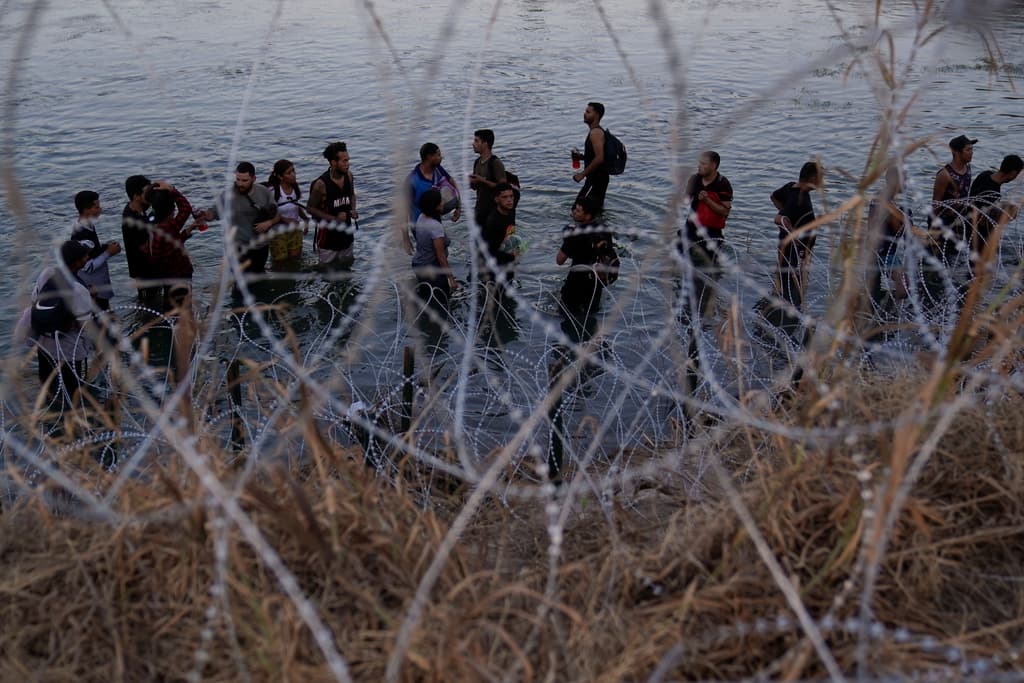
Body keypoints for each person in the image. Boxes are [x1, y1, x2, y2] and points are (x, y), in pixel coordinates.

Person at [15, 240, 95, 412]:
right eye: (85, 256)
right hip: (69, 351)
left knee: (48, 389)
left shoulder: (47, 274)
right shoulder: (79, 289)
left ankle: (50, 418)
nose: (87, 257)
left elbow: (36, 302)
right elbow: (85, 326)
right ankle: (72, 422)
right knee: (75, 393)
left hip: (44, 347)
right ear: (78, 262)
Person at [197, 162, 279, 274]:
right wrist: (204, 215)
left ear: (254, 179)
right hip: (237, 248)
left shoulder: (264, 192)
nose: (240, 184)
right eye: (238, 179)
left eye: (245, 180)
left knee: (258, 276)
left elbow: (277, 215)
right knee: (239, 279)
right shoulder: (228, 195)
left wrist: (269, 223)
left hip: (261, 247)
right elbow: (213, 213)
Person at [680, 151, 733, 317]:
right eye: (699, 163)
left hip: (711, 232)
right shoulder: (695, 179)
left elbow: (725, 212)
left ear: (713, 165)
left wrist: (707, 200)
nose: (699, 166)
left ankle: (707, 299)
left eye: (703, 164)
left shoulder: (723, 184)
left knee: (708, 268)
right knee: (686, 263)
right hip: (691, 228)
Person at [771, 161, 822, 312]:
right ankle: (785, 314)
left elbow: (774, 196)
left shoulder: (791, 187)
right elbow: (778, 219)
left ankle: (777, 307)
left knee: (783, 280)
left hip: (789, 247)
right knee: (792, 289)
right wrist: (793, 233)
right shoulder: (798, 200)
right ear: (812, 178)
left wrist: (786, 214)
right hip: (794, 251)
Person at [556, 197, 613, 326]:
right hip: (595, 283)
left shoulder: (575, 234)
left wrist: (566, 239)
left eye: (578, 211)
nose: (574, 212)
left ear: (588, 215)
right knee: (590, 318)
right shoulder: (604, 230)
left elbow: (559, 260)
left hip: (575, 283)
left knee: (565, 317)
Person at [866, 166, 912, 314]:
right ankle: (892, 314)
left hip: (874, 250)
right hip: (884, 253)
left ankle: (880, 314)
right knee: (904, 287)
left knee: (873, 291)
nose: (906, 183)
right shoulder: (889, 204)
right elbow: (899, 230)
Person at [143, 182, 195, 310]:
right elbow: (186, 208)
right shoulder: (169, 226)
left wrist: (185, 233)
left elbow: (166, 249)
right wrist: (172, 190)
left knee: (170, 306)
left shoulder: (154, 225)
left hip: (166, 276)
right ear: (171, 210)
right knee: (183, 309)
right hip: (180, 275)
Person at [307, 142, 358, 268]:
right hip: (328, 240)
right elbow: (310, 208)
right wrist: (334, 218)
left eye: (348, 160)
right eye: (344, 161)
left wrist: (353, 209)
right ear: (333, 162)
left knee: (347, 267)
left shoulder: (349, 176)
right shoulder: (321, 184)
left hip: (347, 235)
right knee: (327, 272)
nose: (348, 164)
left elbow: (352, 195)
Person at [71, 190, 121, 310]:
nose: (100, 210)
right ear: (86, 210)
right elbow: (87, 267)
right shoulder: (80, 233)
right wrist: (108, 253)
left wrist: (106, 247)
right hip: (93, 288)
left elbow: (93, 250)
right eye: (96, 207)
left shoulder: (88, 226)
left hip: (99, 286)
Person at [930, 134, 976, 264]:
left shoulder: (968, 168)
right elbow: (935, 203)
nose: (971, 153)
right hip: (944, 222)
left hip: (960, 219)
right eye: (968, 150)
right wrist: (934, 230)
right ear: (956, 152)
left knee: (955, 256)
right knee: (940, 257)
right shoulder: (944, 175)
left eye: (972, 149)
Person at [411, 188, 457, 309]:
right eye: (441, 201)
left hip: (418, 264)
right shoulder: (435, 227)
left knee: (427, 300)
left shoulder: (421, 217)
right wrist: (450, 278)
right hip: (431, 269)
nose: (443, 203)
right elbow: (440, 255)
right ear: (435, 206)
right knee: (441, 302)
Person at [969, 153, 1022, 257]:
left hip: (969, 224)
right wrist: (1007, 216)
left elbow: (978, 202)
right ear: (1012, 173)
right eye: (1016, 175)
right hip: (979, 235)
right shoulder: (992, 192)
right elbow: (983, 221)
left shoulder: (985, 174)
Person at [121, 174, 162, 304]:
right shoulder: (132, 220)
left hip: (149, 269)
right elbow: (146, 248)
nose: (150, 195)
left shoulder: (139, 208)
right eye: (146, 192)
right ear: (136, 196)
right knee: (150, 302)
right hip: (144, 272)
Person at [264, 159, 309, 270]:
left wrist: (305, 219)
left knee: (295, 261)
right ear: (281, 177)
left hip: (295, 230)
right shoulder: (273, 191)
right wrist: (286, 220)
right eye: (289, 173)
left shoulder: (294, 188)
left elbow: (295, 206)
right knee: (280, 263)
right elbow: (268, 213)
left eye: (293, 171)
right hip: (278, 233)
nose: (293, 174)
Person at [408, 142, 461, 225]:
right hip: (419, 225)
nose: (441, 157)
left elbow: (453, 183)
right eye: (438, 155)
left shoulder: (438, 169)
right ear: (429, 157)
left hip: (436, 222)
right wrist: (405, 232)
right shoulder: (412, 180)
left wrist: (458, 208)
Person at [572, 102, 610, 213]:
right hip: (597, 178)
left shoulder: (595, 133)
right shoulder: (596, 132)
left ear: (597, 115)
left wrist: (582, 174)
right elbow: (596, 156)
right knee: (594, 211)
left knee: (578, 210)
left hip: (596, 179)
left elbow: (599, 158)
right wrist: (582, 157)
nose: (585, 114)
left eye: (588, 112)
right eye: (585, 111)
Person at [480, 183, 518, 283]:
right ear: (496, 199)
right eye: (504, 197)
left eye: (511, 196)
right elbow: (489, 251)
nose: (509, 200)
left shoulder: (511, 210)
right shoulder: (493, 222)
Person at [468, 129, 506, 227]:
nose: (473, 144)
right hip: (480, 209)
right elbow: (474, 188)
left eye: (476, 141)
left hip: (494, 210)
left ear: (485, 144)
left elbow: (504, 188)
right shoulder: (477, 162)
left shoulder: (495, 162)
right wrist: (472, 182)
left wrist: (482, 180)